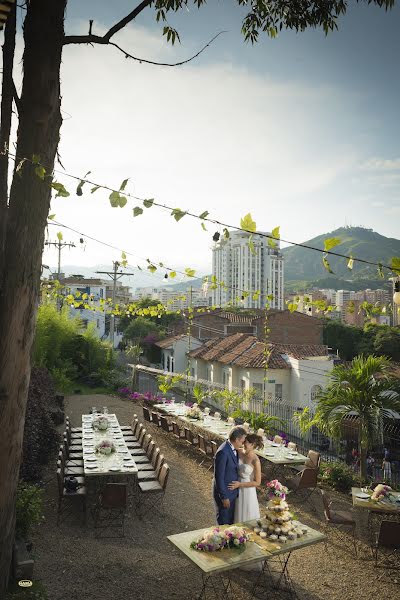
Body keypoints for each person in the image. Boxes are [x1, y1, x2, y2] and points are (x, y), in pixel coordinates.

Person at [213, 426, 247, 525]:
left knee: (230, 523)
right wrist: (224, 497)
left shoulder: (232, 448)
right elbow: (218, 477)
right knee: (224, 524)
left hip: (232, 493)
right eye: (242, 442)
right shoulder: (223, 452)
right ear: (236, 439)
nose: (242, 444)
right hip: (225, 495)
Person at [228, 433, 263, 523]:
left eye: (246, 443)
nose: (244, 444)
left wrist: (240, 484)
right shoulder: (238, 451)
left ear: (253, 445)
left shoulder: (256, 460)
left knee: (246, 512)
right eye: (244, 442)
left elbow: (257, 482)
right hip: (234, 483)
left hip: (247, 488)